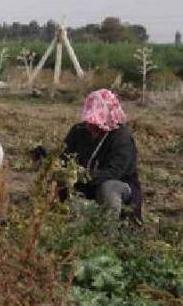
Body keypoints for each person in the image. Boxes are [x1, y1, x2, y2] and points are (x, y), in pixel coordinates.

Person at [60, 89, 142, 222]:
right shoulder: (78, 131)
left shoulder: (121, 137)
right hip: (85, 184)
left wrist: (82, 176)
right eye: (90, 122)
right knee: (59, 182)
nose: (91, 126)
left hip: (119, 185)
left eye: (96, 124)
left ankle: (109, 229)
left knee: (108, 188)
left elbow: (114, 172)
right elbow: (63, 157)